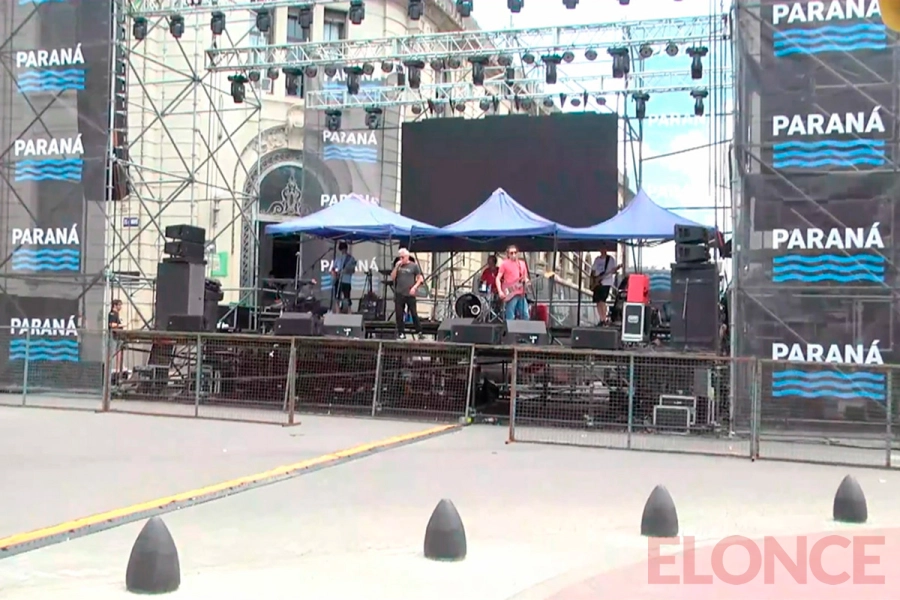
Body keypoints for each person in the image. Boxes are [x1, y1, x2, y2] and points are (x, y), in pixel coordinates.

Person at [390, 248, 424, 340]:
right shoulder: (399, 266)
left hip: (410, 293)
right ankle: (401, 332)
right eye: (400, 257)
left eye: (402, 257)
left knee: (413, 313)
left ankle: (419, 331)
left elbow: (420, 279)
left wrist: (414, 287)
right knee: (399, 314)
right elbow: (392, 277)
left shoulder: (414, 266)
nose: (401, 259)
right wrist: (396, 267)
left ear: (407, 257)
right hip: (399, 293)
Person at [496, 245, 530, 321]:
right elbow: (498, 278)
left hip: (521, 293)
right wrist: (500, 291)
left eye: (515, 252)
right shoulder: (504, 264)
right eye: (511, 253)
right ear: (508, 254)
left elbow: (524, 278)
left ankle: (525, 332)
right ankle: (510, 332)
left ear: (518, 253)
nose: (513, 255)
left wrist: (526, 281)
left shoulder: (522, 264)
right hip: (510, 293)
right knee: (510, 316)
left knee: (525, 315)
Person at [590, 248, 621, 324]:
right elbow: (593, 270)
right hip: (597, 282)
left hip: (606, 282)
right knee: (598, 301)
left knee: (602, 300)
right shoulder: (597, 259)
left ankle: (604, 318)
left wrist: (613, 270)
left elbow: (613, 271)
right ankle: (601, 318)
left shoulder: (610, 259)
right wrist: (594, 279)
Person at [331, 242, 357, 313]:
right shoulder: (338, 258)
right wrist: (334, 273)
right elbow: (333, 268)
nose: (342, 251)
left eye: (343, 249)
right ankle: (337, 311)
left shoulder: (351, 259)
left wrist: (346, 271)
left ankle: (349, 311)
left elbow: (353, 270)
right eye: (341, 250)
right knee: (337, 296)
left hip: (346, 280)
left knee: (347, 296)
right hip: (338, 279)